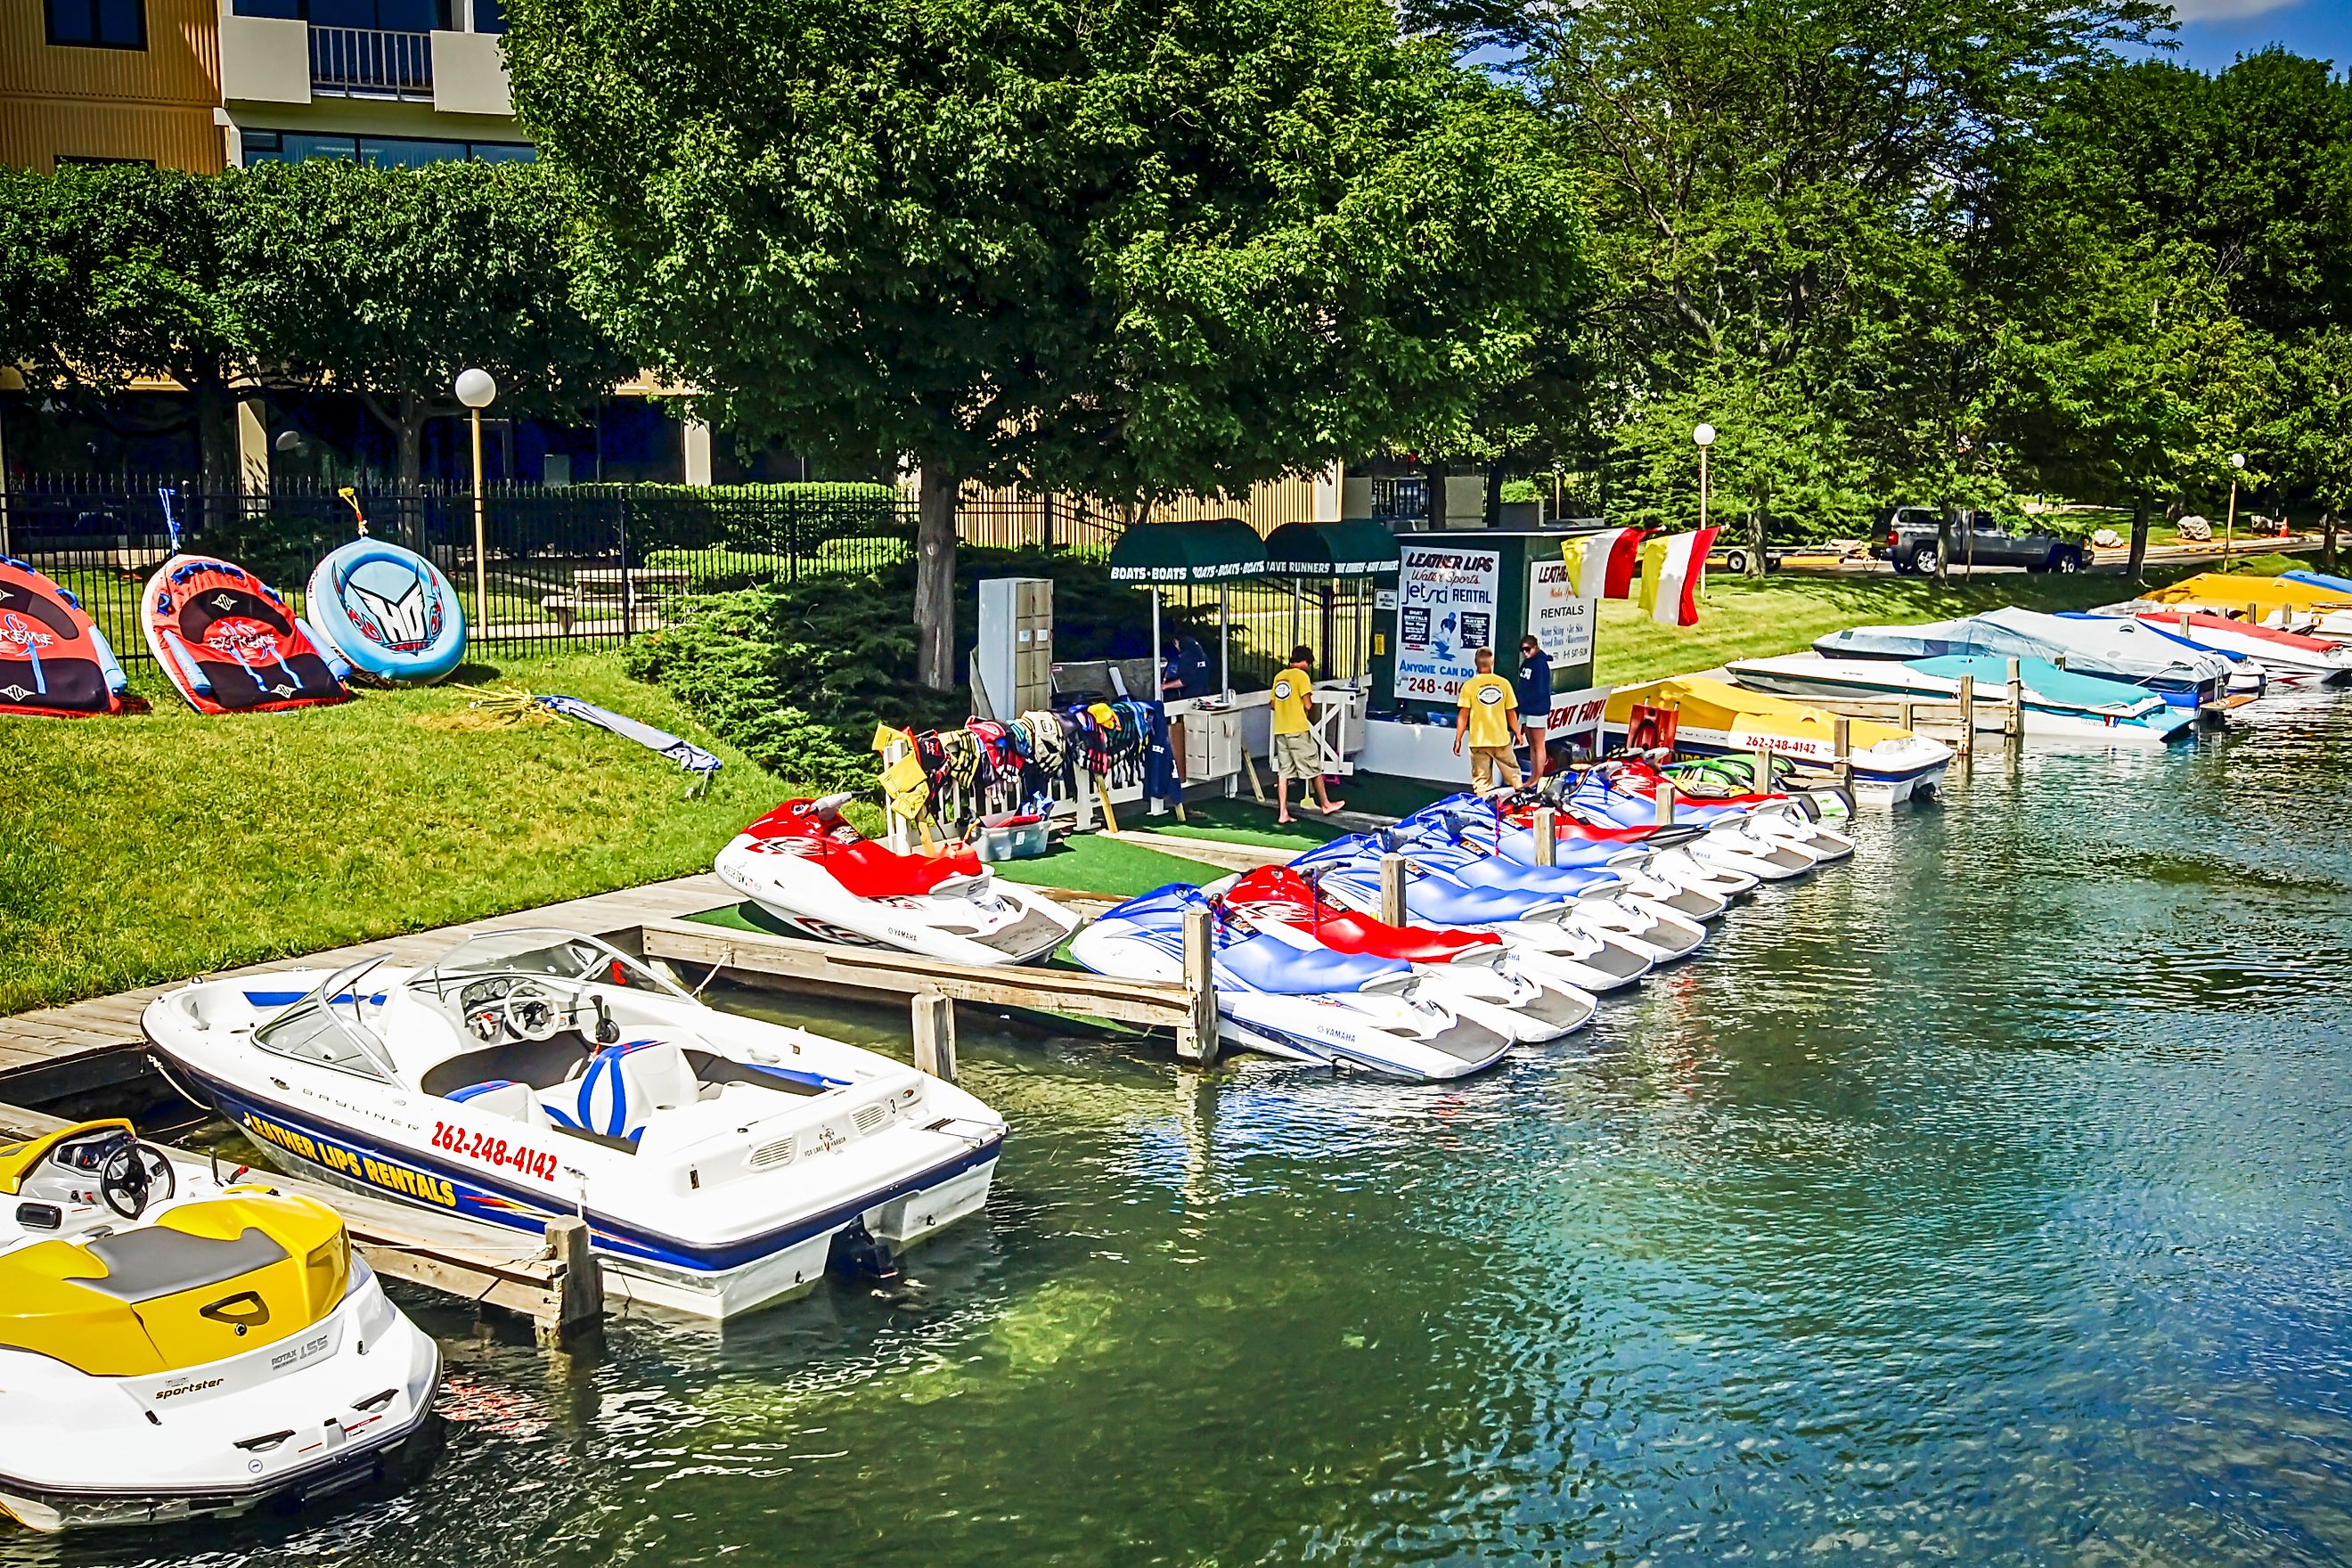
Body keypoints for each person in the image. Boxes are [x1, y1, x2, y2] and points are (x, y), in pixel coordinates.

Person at [1269, 645, 1344, 823]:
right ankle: (1326, 804)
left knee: (1284, 772)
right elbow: (1308, 704)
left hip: (1281, 729)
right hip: (1297, 729)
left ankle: (1283, 813)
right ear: (1305, 661)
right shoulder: (1302, 676)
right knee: (1314, 767)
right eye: (1308, 663)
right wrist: (1303, 712)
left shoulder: (1279, 676)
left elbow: (1272, 704)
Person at [1453, 648, 1522, 794]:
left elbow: (1463, 715)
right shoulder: (1504, 684)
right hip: (1501, 740)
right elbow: (1511, 713)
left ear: (1475, 664)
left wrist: (1458, 739)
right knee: (1514, 775)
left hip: (1479, 741)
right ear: (1493, 663)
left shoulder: (1469, 686)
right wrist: (1518, 733)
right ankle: (1521, 802)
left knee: (1481, 783)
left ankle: (1483, 809)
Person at [1514, 633, 1553, 783]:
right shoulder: (1526, 664)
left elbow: (1541, 690)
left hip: (1537, 709)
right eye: (1522, 650)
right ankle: (1532, 777)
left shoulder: (1541, 665)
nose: (1525, 653)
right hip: (1525, 709)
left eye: (1528, 649)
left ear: (1535, 647)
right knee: (1532, 745)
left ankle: (1538, 778)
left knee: (1538, 744)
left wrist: (1527, 700)